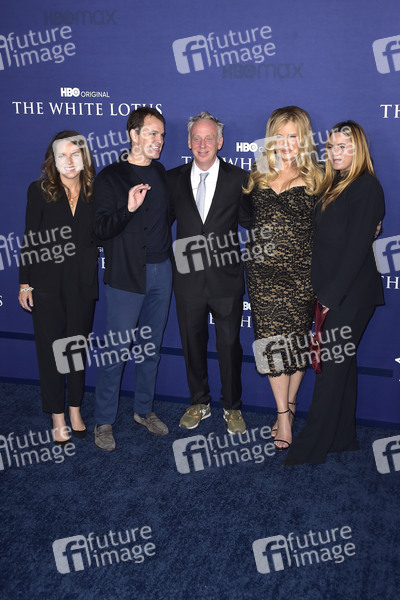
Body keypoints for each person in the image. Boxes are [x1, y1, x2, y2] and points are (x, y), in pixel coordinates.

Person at [284, 120, 385, 465]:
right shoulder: (335, 184)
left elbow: (356, 250)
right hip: (334, 291)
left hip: (350, 296)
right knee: (342, 366)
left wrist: (330, 297)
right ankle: (342, 437)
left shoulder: (366, 187)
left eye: (344, 146)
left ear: (358, 150)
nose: (335, 152)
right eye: (331, 146)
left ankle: (310, 447)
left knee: (329, 369)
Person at [243, 106, 323, 450]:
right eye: (280, 136)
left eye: (293, 136)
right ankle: (283, 415)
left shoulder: (319, 178)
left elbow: (338, 222)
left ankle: (288, 406)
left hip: (302, 276)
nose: (287, 143)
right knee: (271, 346)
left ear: (304, 139)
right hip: (262, 276)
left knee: (295, 343)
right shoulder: (256, 176)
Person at [168, 111, 253, 435]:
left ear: (220, 142)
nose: (202, 144)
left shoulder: (239, 179)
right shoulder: (172, 179)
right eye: (197, 138)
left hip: (225, 280)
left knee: (230, 346)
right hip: (187, 279)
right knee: (192, 344)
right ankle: (199, 402)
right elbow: (159, 223)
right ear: (189, 143)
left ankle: (232, 406)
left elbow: (252, 220)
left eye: (209, 138)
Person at [93, 107, 172, 451]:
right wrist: (128, 209)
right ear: (133, 134)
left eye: (162, 135)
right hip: (126, 275)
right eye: (152, 133)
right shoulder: (110, 177)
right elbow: (99, 229)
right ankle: (103, 421)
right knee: (115, 352)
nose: (159, 140)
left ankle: (144, 410)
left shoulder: (161, 173)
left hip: (162, 272)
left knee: (150, 349)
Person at [18, 131, 98, 444]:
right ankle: (57, 415)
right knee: (51, 352)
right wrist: (25, 282)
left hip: (82, 285)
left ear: (84, 158)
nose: (69, 161)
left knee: (75, 351)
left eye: (75, 154)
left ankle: (75, 408)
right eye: (62, 155)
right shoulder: (39, 191)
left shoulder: (94, 191)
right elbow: (30, 237)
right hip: (46, 284)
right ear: (54, 159)